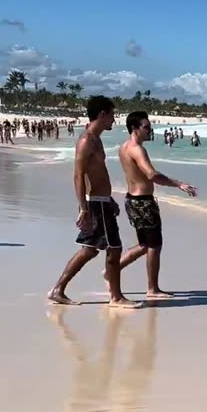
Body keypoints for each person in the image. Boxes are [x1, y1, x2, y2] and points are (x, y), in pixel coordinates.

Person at [47, 96, 139, 308]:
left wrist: (110, 199)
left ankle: (57, 289)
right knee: (114, 248)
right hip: (95, 204)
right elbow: (78, 175)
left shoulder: (96, 140)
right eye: (112, 115)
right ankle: (116, 297)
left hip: (101, 201)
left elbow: (100, 174)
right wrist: (83, 209)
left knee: (89, 249)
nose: (114, 120)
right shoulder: (86, 140)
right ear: (102, 115)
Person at [117, 111, 197, 297]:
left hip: (132, 199)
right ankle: (152, 288)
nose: (149, 130)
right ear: (134, 128)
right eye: (146, 127)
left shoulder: (124, 147)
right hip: (143, 202)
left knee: (145, 244)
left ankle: (112, 270)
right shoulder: (137, 149)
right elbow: (151, 175)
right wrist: (179, 184)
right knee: (154, 245)